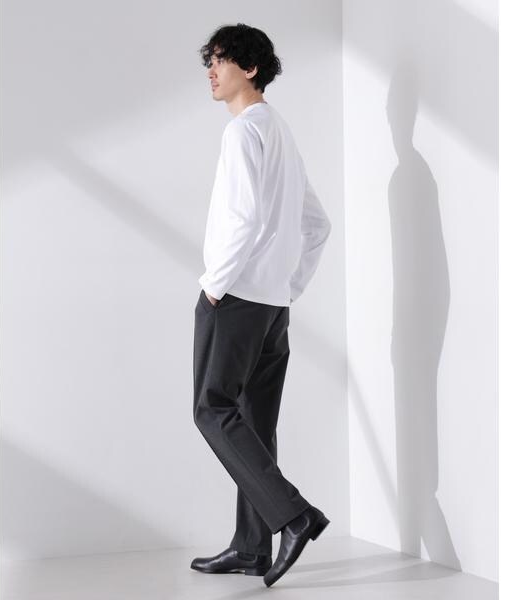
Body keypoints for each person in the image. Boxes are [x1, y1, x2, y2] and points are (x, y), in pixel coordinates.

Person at [191, 23, 332, 587]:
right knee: (254, 421)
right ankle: (252, 547)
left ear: (250, 68)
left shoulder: (243, 131)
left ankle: (293, 515)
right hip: (272, 306)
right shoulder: (281, 132)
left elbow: (245, 219)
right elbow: (318, 224)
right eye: (209, 61)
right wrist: (288, 286)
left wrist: (215, 286)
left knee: (212, 410)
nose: (211, 70)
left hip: (237, 300)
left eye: (221, 60)